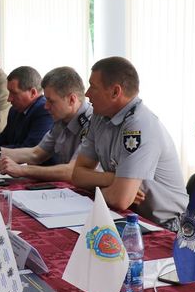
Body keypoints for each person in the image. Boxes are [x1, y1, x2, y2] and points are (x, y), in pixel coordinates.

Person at [71, 56, 188, 227]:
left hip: (166, 225)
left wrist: (102, 187)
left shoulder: (140, 124)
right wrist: (112, 179)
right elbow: (77, 176)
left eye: (93, 87)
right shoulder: (100, 116)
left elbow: (120, 199)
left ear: (115, 92)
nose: (87, 94)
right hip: (130, 216)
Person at [0, 66, 92, 182]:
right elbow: (36, 154)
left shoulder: (92, 123)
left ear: (71, 100)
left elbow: (72, 171)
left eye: (51, 101)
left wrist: (23, 170)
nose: (46, 106)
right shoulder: (61, 120)